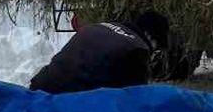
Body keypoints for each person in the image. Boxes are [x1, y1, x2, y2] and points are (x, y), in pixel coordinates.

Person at [29, 11, 169, 93]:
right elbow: (134, 101)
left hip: (39, 88)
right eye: (156, 48)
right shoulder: (137, 49)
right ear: (151, 37)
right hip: (65, 105)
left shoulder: (100, 26)